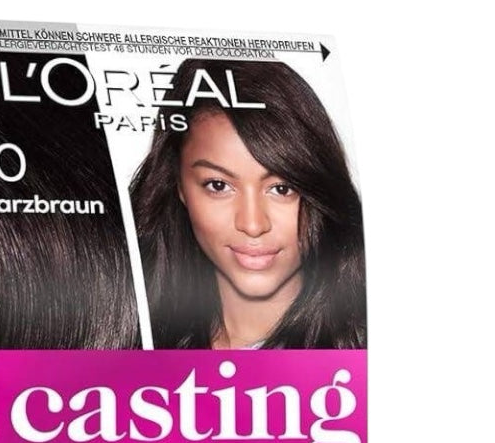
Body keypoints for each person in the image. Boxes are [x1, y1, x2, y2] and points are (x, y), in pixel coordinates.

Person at [131, 58, 366, 350]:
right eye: (218, 186)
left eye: (282, 189)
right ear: (178, 184)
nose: (253, 224)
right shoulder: (129, 338)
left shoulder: (364, 351)